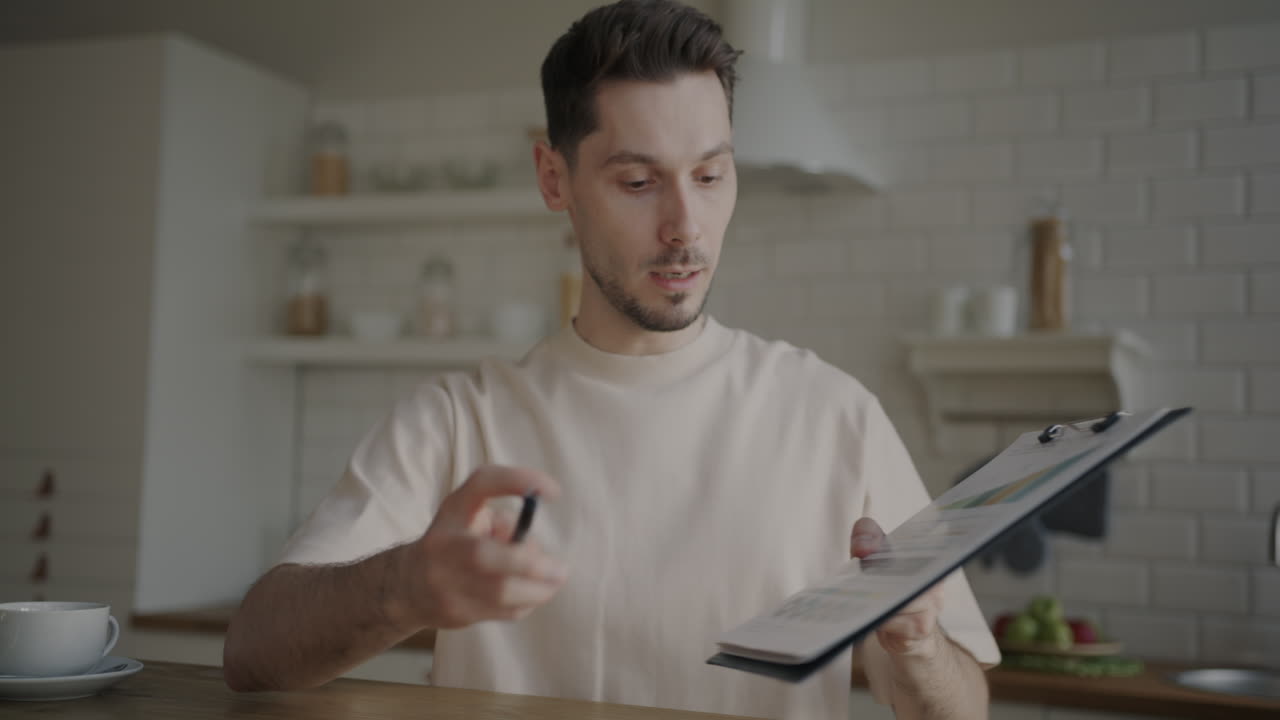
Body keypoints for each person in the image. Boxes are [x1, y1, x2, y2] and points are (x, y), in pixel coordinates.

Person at [223, 1, 999, 717]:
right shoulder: (461, 419)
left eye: (710, 174)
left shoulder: (835, 414)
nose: (685, 226)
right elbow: (251, 653)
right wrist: (407, 587)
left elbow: (963, 709)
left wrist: (920, 645)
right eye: (637, 181)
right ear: (554, 179)